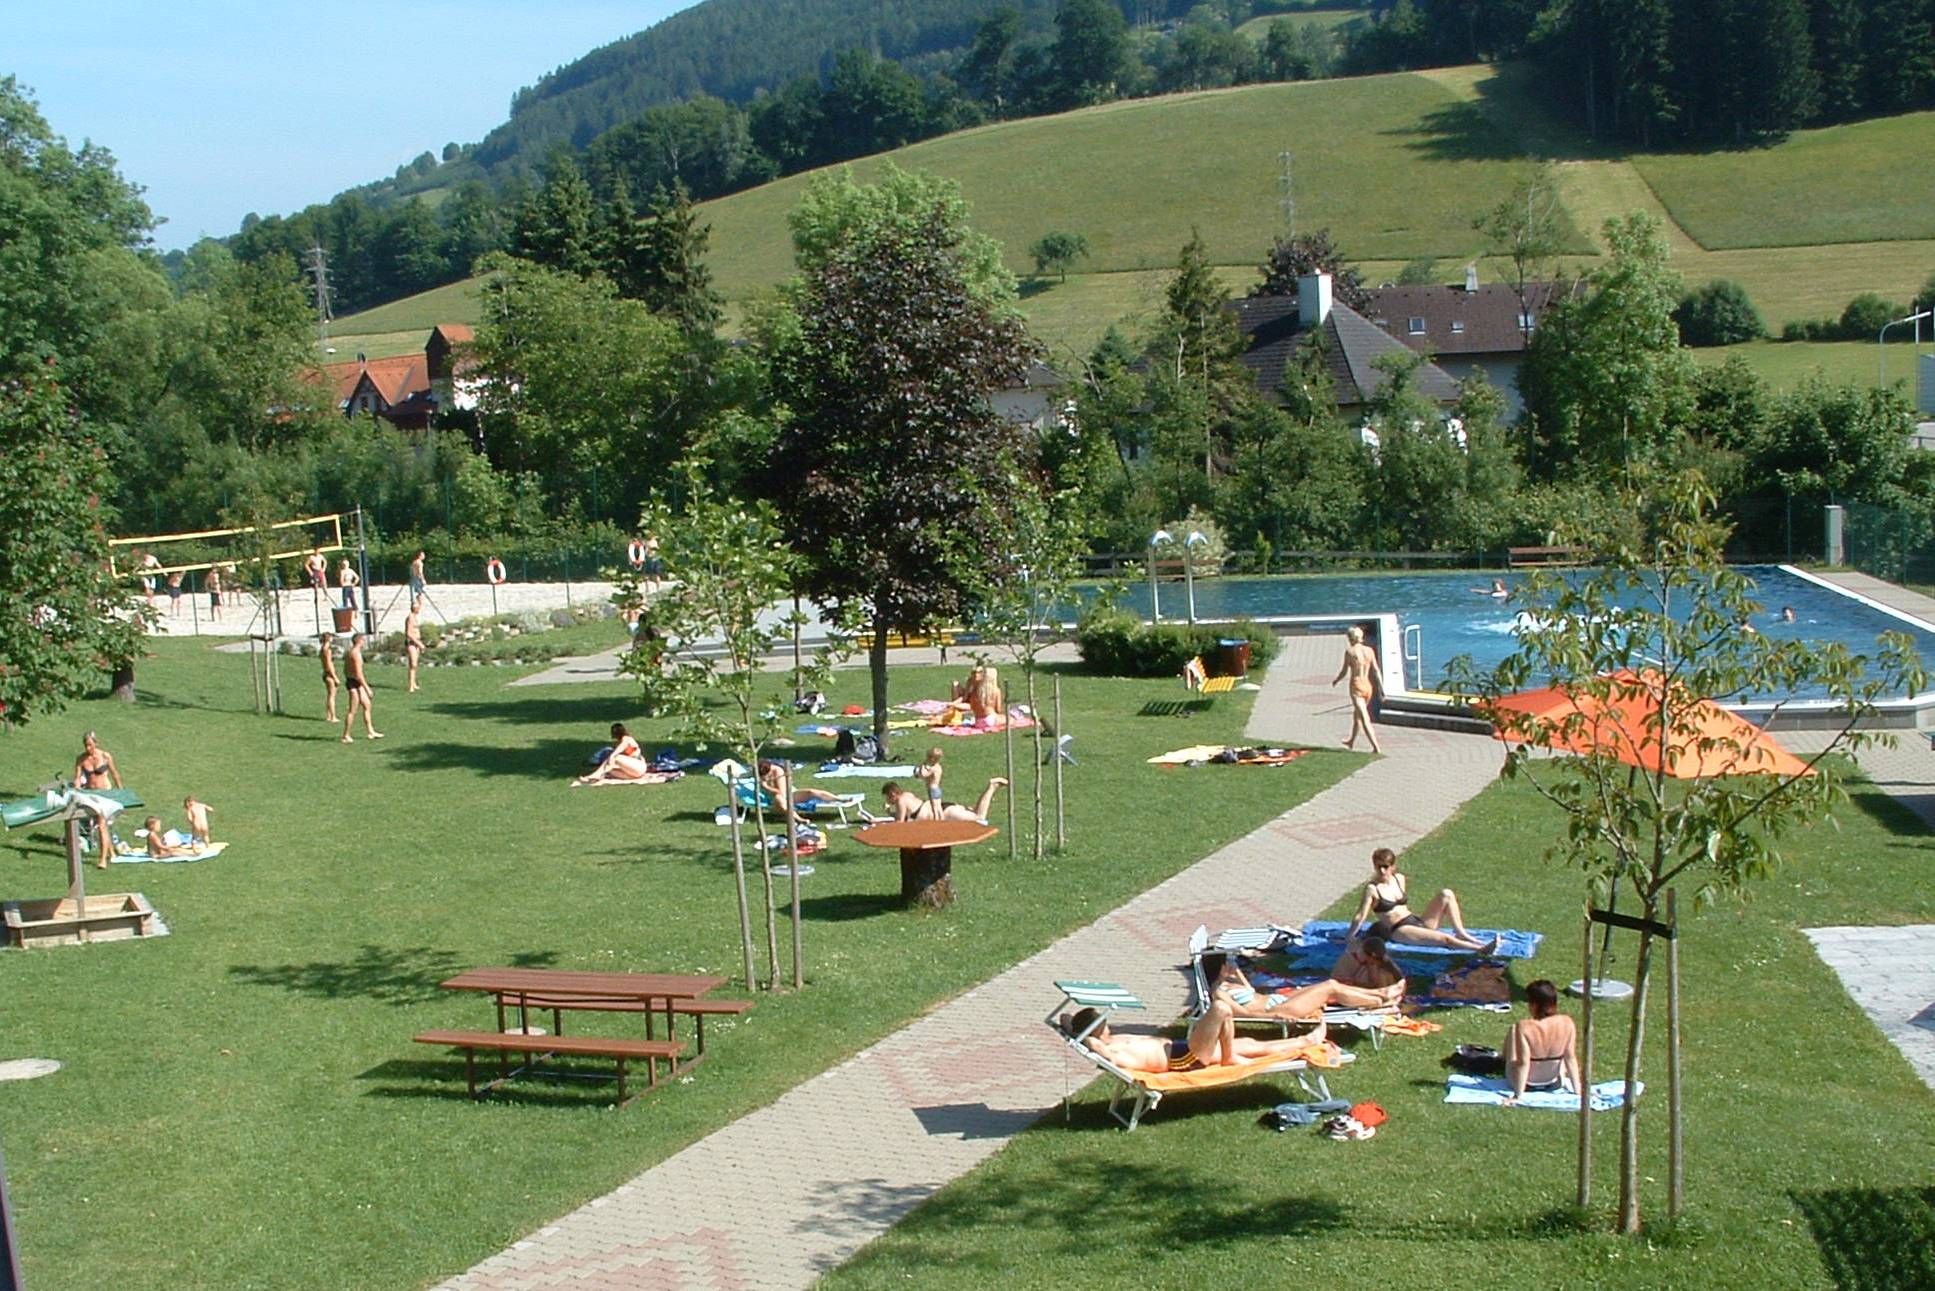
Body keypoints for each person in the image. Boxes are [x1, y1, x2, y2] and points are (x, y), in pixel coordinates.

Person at [1061, 998, 1327, 1075]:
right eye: (1103, 1025)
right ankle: (1229, 1057)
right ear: (1094, 1031)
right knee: (1221, 1008)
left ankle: (1306, 1041)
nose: (1108, 1028)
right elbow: (1090, 1041)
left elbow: (1066, 1020)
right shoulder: (1108, 1048)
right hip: (1182, 1059)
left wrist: (1075, 1026)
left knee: (1249, 1043)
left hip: (1180, 1049)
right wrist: (1082, 1034)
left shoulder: (1110, 1039)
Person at [1344, 847, 1498, 953]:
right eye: (1378, 867)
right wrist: (1350, 936)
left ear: (1393, 867)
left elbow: (1402, 906)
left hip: (1416, 921)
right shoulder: (1372, 888)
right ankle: (1480, 949)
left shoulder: (1399, 879)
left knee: (1446, 894)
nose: (1382, 871)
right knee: (1444, 939)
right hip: (1399, 930)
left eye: (1385, 867)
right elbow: (1360, 915)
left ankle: (1461, 933)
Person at [1200, 951, 1402, 1025]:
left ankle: (1379, 995)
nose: (1231, 964)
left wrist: (1237, 974)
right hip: (1277, 1010)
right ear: (1219, 968)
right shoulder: (1219, 993)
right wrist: (1275, 1018)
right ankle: (1382, 999)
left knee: (1331, 984)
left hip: (1277, 1001)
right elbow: (1243, 1014)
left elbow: (1251, 993)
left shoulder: (1226, 984)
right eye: (1227, 962)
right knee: (1330, 988)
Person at [1503, 979, 1582, 1105]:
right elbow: (1570, 1058)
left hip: (1528, 1084)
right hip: (1554, 1083)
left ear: (1534, 1005)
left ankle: (1501, 1060)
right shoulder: (1567, 1022)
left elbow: (1523, 1064)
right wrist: (1578, 1090)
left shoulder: (1523, 1027)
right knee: (1561, 1060)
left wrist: (1518, 1096)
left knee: (1513, 1031)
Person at [1331, 624, 1382, 754]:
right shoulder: (1369, 651)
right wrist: (1381, 689)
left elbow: (1344, 671)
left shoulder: (1350, 652)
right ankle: (1351, 741)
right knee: (1357, 716)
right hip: (1368, 687)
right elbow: (1376, 671)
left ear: (1350, 638)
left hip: (1356, 687)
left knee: (1364, 718)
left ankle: (1376, 747)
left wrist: (1336, 680)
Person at [881, 777, 1008, 825]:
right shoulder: (907, 795)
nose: (888, 800)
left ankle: (992, 786)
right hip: (944, 808)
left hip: (945, 812)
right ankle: (992, 787)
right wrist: (889, 814)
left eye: (887, 797)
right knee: (976, 812)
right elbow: (904, 816)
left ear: (892, 794)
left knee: (979, 818)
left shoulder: (900, 801)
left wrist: (881, 827)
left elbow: (900, 822)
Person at [757, 759, 854, 821]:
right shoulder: (758, 771)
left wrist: (765, 786)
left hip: (786, 795)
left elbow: (782, 792)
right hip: (774, 801)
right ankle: (798, 819)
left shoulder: (777, 771)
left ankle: (838, 799)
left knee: (811, 792)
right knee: (778, 798)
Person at [1329, 934, 1406, 996]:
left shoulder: (1367, 955)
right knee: (1384, 975)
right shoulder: (1363, 957)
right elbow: (1373, 984)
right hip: (1345, 985)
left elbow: (1399, 978)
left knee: (1385, 974)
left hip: (1344, 984)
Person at [575, 723, 649, 785]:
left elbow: (618, 751)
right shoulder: (620, 742)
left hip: (639, 767)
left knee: (615, 757)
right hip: (633, 773)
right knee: (610, 769)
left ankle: (595, 775)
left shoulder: (626, 739)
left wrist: (612, 756)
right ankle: (594, 777)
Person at [340, 634, 383, 743]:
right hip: (354, 683)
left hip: (354, 681)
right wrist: (367, 688)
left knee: (367, 704)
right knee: (352, 710)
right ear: (359, 641)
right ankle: (346, 735)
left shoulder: (350, 652)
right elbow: (359, 674)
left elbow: (345, 669)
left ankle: (370, 731)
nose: (364, 642)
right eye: (363, 640)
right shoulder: (356, 655)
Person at [915, 746, 945, 819]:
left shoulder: (933, 769)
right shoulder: (938, 767)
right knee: (939, 807)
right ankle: (942, 820)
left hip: (932, 789)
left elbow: (924, 775)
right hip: (938, 788)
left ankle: (936, 820)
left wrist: (922, 766)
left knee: (934, 807)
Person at [403, 598, 426, 694]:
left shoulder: (415, 616)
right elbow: (409, 633)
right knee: (413, 664)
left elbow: (421, 603)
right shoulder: (410, 618)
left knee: (415, 664)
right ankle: (411, 685)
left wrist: (420, 597)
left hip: (416, 642)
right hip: (412, 643)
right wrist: (419, 643)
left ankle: (414, 683)